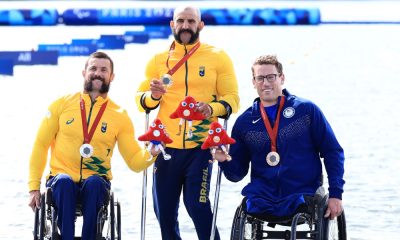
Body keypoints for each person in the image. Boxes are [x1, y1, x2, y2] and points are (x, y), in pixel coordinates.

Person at [28, 51, 160, 240]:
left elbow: (133, 161)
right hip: (61, 181)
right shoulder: (62, 105)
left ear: (111, 76)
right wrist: (33, 188)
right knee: (64, 182)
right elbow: (40, 145)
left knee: (95, 182)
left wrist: (151, 152)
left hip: (96, 183)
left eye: (104, 70)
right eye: (93, 68)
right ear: (84, 73)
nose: (98, 73)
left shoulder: (119, 115)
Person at [136, 6, 239, 240]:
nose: (185, 25)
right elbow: (141, 101)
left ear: (200, 25)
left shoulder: (217, 57)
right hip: (166, 148)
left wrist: (212, 108)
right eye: (180, 21)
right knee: (164, 212)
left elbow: (232, 98)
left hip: (201, 148)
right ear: (172, 25)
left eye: (191, 21)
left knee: (197, 206)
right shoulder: (157, 60)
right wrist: (153, 96)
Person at [214, 54, 345, 220]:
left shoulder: (306, 111)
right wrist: (224, 159)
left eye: (271, 77)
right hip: (262, 196)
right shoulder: (244, 123)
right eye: (260, 78)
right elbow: (236, 175)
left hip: (303, 192)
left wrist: (336, 194)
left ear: (282, 78)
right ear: (253, 82)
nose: (266, 83)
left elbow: (332, 151)